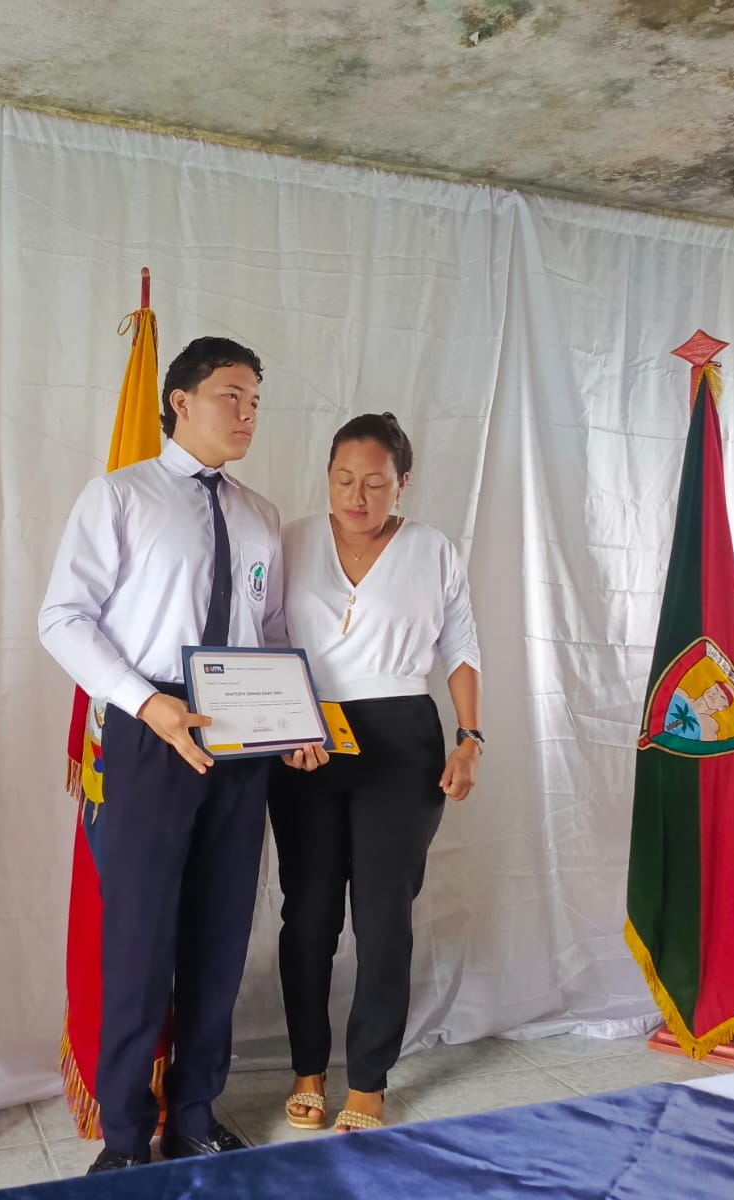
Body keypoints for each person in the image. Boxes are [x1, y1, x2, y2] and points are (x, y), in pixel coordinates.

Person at [38, 336, 325, 1173]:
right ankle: (127, 1137)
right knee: (138, 936)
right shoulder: (120, 496)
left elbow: (271, 630)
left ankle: (195, 1113)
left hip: (241, 734)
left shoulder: (260, 514)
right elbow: (62, 618)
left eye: (256, 401)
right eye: (232, 395)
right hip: (149, 728)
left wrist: (297, 721)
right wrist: (146, 703)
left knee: (220, 931)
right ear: (180, 400)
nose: (248, 414)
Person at [271, 412, 481, 1134]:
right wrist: (283, 728)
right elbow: (265, 640)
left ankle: (368, 1080)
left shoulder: (432, 549)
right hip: (306, 741)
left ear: (402, 483)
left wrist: (470, 739)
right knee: (308, 913)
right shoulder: (291, 541)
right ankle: (307, 1068)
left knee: (384, 915)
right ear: (327, 477)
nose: (356, 497)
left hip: (402, 743)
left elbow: (461, 646)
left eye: (374, 483)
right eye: (342, 480)